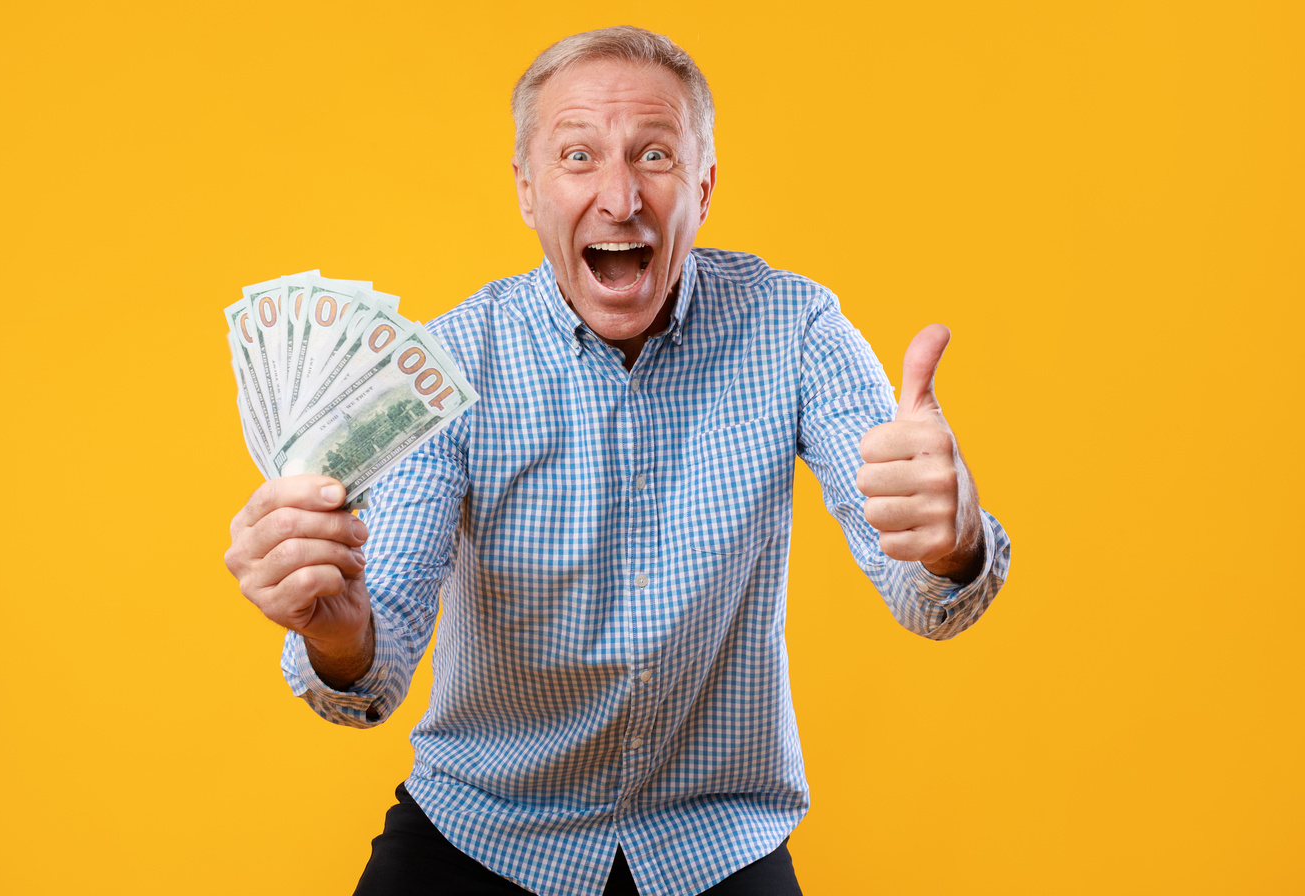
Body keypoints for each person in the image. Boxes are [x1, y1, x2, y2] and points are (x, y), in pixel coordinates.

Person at [224, 26, 1009, 896]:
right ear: (527, 191)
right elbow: (375, 668)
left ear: (703, 188)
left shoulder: (796, 328)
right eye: (577, 156)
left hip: (714, 840)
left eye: (655, 155)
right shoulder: (452, 367)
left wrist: (953, 542)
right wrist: (339, 633)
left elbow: (928, 597)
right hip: (485, 830)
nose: (621, 197)